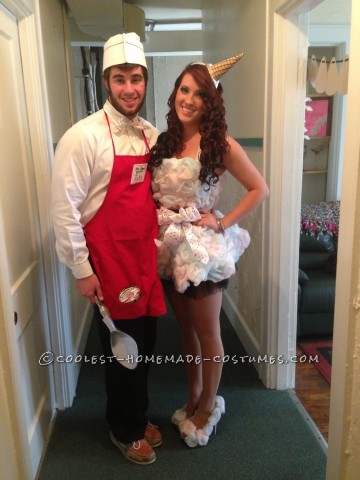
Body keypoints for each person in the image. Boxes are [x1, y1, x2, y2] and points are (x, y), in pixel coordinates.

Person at [51, 33, 166, 465]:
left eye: (136, 79)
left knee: (148, 342)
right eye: (120, 79)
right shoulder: (82, 138)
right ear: (106, 83)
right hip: (109, 262)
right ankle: (124, 430)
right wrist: (82, 269)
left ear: (145, 81)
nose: (129, 88)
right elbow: (63, 210)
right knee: (124, 350)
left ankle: (134, 414)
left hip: (143, 259)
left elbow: (158, 194)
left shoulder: (151, 135)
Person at [149, 55, 269, 448]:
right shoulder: (167, 140)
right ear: (175, 94)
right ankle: (194, 395)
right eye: (184, 90)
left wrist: (221, 221)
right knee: (185, 330)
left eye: (199, 94)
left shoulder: (220, 144)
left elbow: (259, 189)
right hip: (170, 245)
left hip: (201, 251)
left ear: (211, 102)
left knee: (207, 331)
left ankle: (207, 407)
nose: (189, 99)